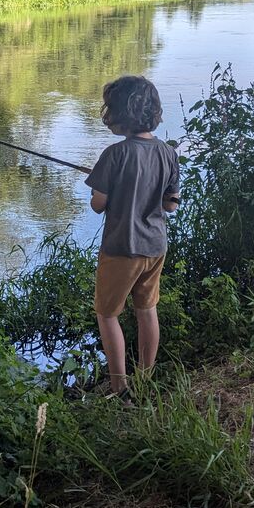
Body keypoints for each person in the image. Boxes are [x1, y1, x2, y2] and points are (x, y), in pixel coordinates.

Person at [85, 75, 181, 397]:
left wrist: (106, 190)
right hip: (155, 248)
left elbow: (98, 205)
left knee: (107, 314)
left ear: (119, 115)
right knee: (146, 310)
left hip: (121, 249)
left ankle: (119, 387)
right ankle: (145, 379)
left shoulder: (114, 155)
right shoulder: (169, 153)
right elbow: (170, 204)